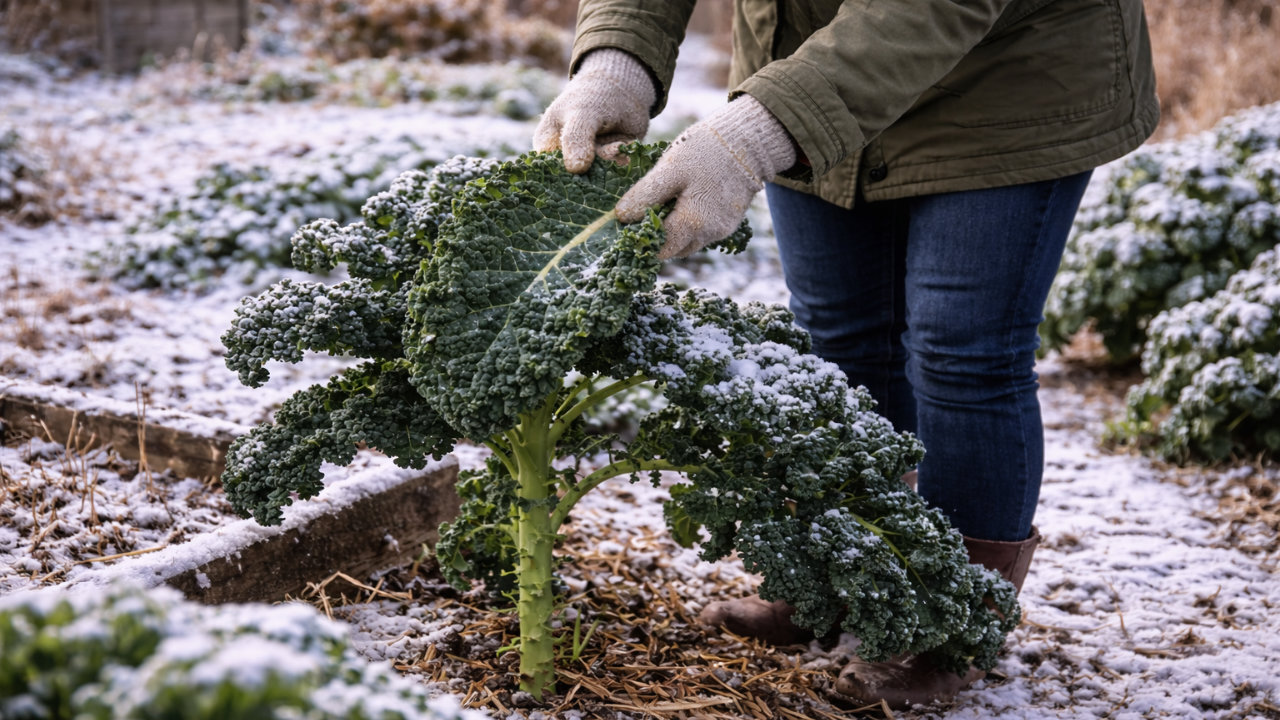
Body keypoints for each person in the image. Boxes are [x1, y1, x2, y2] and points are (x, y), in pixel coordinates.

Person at [534, 0, 1159, 709]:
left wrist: (754, 135)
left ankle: (952, 620)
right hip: (809, 58)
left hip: (1003, 77)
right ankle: (841, 575)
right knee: (838, 333)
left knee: (961, 348)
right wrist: (616, 61)